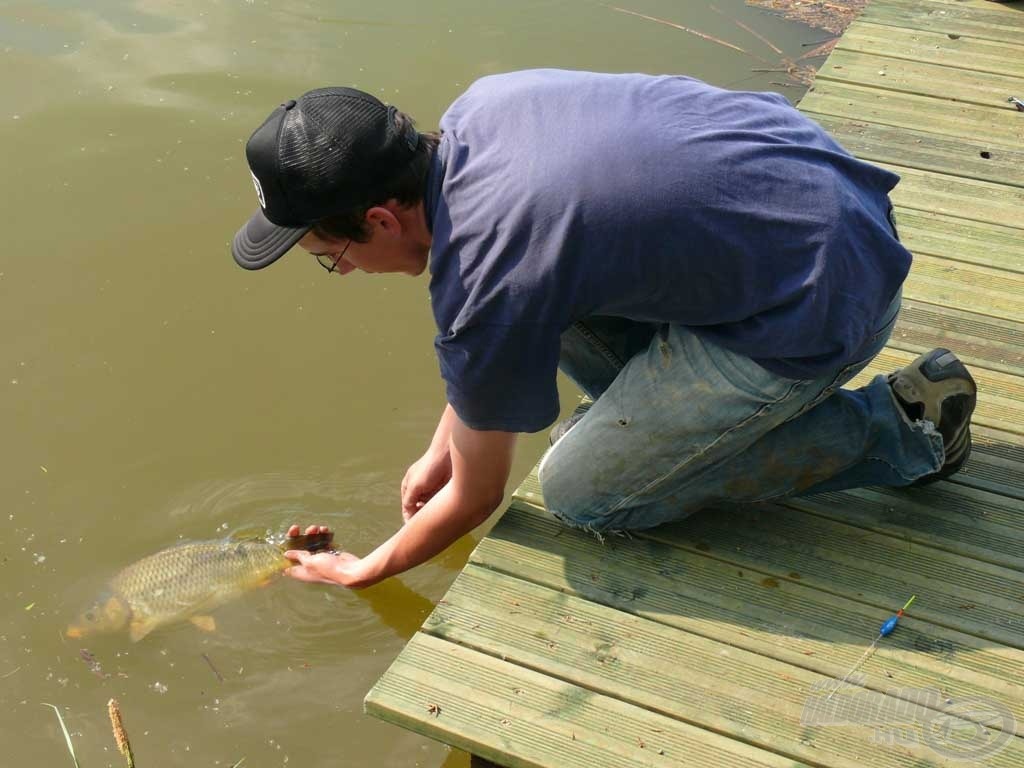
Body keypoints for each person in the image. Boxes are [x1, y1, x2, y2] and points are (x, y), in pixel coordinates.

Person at [229, 70, 976, 589]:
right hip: (826, 208)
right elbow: (500, 312)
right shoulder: (484, 110)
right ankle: (671, 423)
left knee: (586, 494)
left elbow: (479, 496)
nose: (349, 273)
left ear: (381, 219)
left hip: (822, 301)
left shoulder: (489, 275)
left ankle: (903, 427)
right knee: (541, 308)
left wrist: (367, 569)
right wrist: (443, 450)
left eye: (335, 258)